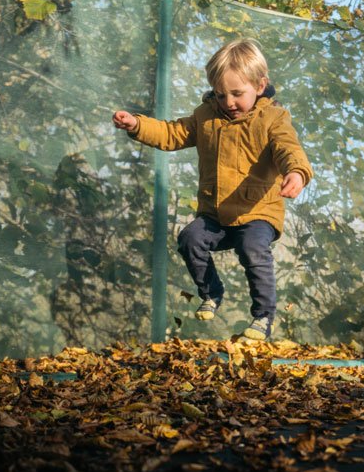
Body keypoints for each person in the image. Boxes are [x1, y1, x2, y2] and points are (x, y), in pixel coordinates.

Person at [112, 38, 312, 340]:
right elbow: (171, 132)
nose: (228, 102)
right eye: (220, 94)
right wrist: (137, 125)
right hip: (215, 213)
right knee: (190, 238)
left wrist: (296, 172)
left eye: (237, 93)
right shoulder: (206, 117)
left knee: (252, 248)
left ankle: (263, 317)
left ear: (260, 86)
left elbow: (288, 149)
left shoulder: (273, 118)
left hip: (257, 210)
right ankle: (212, 293)